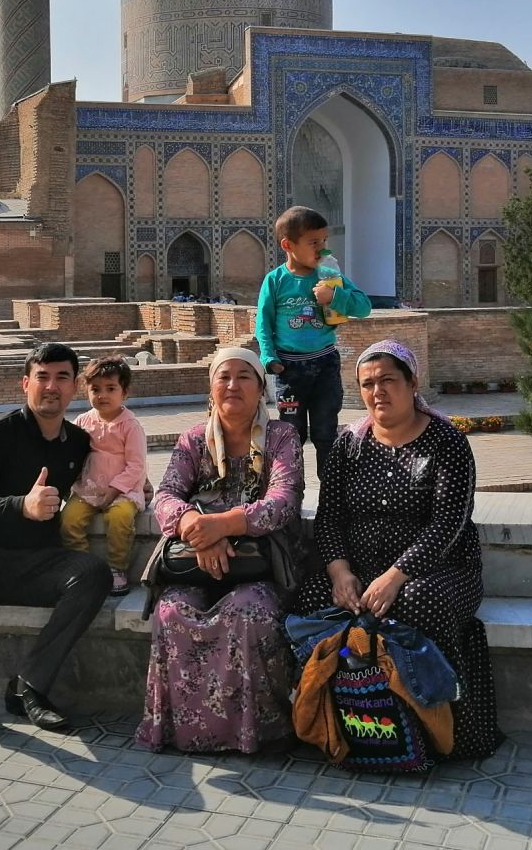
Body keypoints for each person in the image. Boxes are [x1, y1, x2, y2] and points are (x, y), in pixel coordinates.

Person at [296, 338, 504, 759]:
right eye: (368, 384)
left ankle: (442, 733)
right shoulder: (349, 445)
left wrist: (395, 576)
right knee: (311, 597)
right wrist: (339, 572)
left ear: (412, 383)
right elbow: (329, 517)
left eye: (388, 380)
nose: (378, 392)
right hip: (362, 572)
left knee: (417, 601)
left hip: (439, 572)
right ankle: (337, 726)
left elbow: (448, 524)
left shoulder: (447, 443)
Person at [0, 343, 112, 750]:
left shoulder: (77, 442)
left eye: (62, 377)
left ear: (74, 387)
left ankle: (29, 685)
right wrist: (22, 506)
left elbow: (107, 473)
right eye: (42, 377)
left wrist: (133, 487)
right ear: (25, 383)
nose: (51, 387)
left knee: (93, 574)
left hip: (36, 562)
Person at [136, 347, 305, 753]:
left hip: (261, 566)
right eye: (223, 377)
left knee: (249, 613)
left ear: (261, 388)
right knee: (172, 611)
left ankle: (257, 732)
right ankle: (187, 733)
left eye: (244, 376)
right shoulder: (194, 440)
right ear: (211, 388)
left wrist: (223, 525)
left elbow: (283, 500)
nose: (233, 385)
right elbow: (166, 495)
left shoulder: (281, 437)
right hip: (195, 560)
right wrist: (195, 527)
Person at [255, 205, 372, 475]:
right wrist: (269, 357)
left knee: (325, 431)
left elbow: (363, 307)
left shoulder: (330, 276)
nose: (322, 248)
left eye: (324, 241)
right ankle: (289, 489)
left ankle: (330, 490)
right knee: (291, 433)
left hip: (324, 365)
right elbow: (264, 323)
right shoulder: (276, 281)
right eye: (314, 242)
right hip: (290, 370)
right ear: (288, 245)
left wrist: (335, 297)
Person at [61, 356, 148, 596]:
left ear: (124, 392)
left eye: (111, 389)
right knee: (68, 520)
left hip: (122, 491)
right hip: (88, 489)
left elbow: (136, 465)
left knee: (120, 518)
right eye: (95, 389)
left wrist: (114, 490)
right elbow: (72, 454)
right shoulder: (83, 422)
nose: (102, 395)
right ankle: (83, 567)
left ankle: (117, 568)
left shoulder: (130, 426)